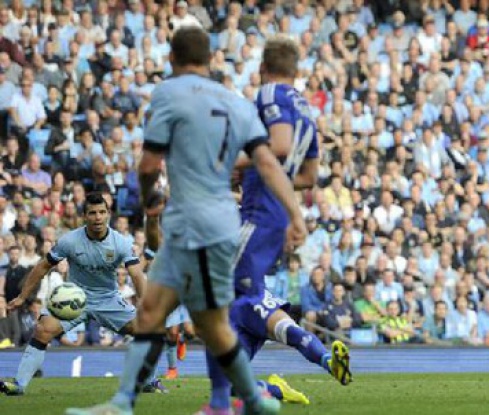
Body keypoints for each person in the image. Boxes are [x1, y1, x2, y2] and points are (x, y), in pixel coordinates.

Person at [65, 27, 307, 415]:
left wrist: (148, 200)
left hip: (188, 222)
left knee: (171, 316)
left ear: (173, 60)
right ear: (210, 60)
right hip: (225, 225)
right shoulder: (236, 102)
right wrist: (296, 214)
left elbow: (148, 165)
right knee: (199, 322)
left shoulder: (169, 93)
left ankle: (125, 403)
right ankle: (253, 402)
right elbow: (267, 161)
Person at [204, 35, 352, 415]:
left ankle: (230, 400)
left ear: (264, 69)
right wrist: (256, 176)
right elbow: (306, 177)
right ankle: (255, 391)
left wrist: (237, 164)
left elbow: (280, 148)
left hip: (259, 214)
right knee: (240, 300)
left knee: (219, 298)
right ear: (297, 69)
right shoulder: (306, 111)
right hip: (273, 215)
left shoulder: (270, 94)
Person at [0, 192, 166, 396]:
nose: (97, 217)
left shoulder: (121, 243)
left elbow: (137, 275)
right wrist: (23, 296)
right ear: (84, 216)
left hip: (108, 298)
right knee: (43, 330)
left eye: (102, 212)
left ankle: (150, 381)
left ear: (108, 214)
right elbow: (43, 266)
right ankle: (19, 384)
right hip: (75, 298)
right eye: (92, 213)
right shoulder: (69, 241)